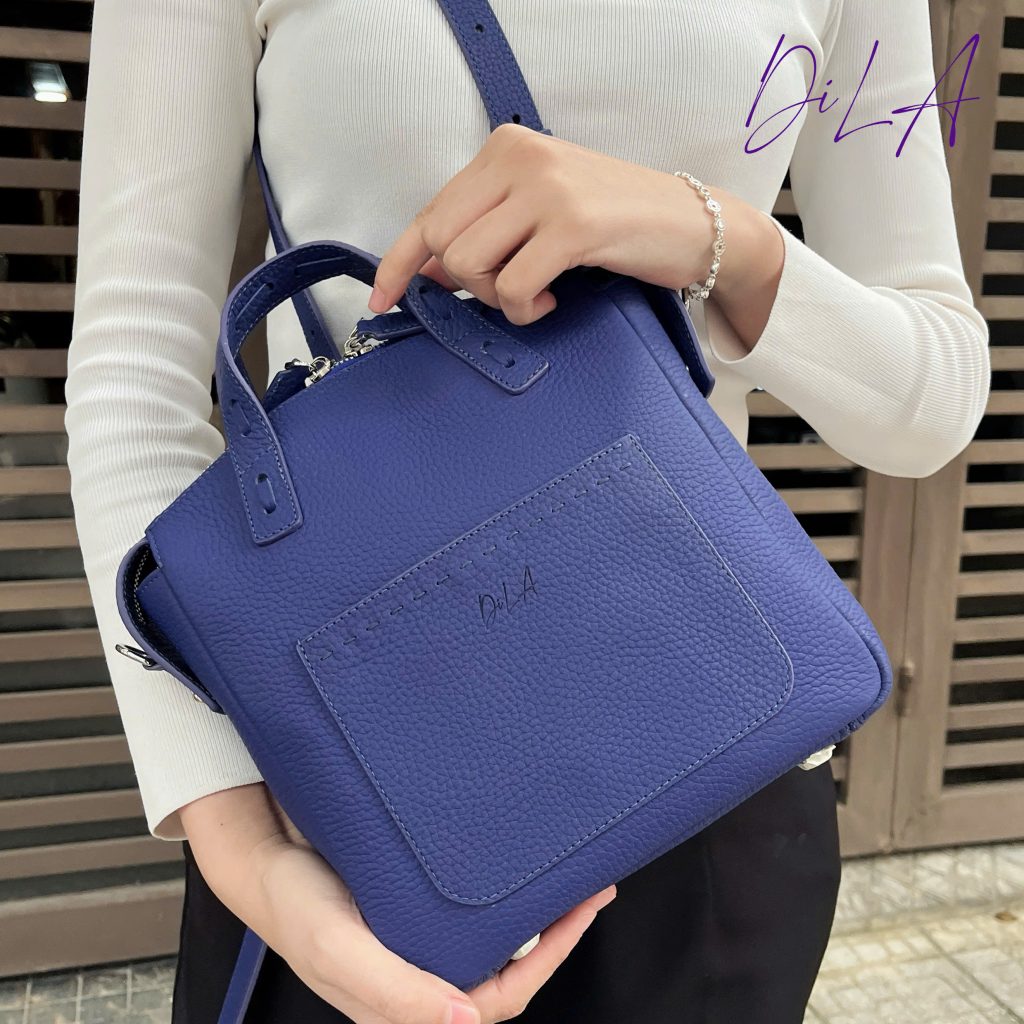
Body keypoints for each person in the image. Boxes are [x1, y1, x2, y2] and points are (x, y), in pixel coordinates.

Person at [65, 1, 990, 1022]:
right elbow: (133, 371)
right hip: (353, 809)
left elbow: (934, 396)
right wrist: (241, 846)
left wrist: (712, 236)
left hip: (716, 747)